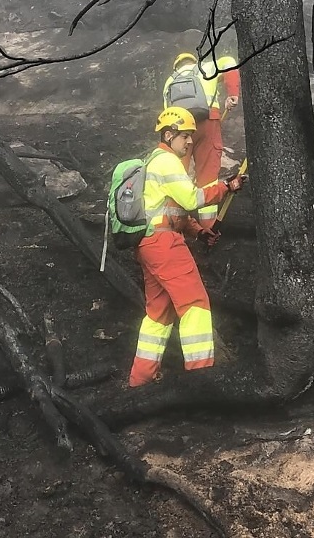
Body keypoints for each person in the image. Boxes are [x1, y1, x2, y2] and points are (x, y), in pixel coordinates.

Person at [129, 107, 247, 387]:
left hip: (150, 243)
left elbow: (174, 210)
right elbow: (192, 198)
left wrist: (199, 233)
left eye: (191, 137)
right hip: (165, 245)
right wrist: (226, 187)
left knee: (158, 314)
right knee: (195, 305)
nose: (191, 142)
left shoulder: (154, 163)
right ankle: (201, 380)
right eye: (185, 136)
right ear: (168, 135)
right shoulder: (167, 162)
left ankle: (139, 380)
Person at [161, 52, 240, 230]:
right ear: (193, 61)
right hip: (208, 122)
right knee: (208, 176)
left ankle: (175, 227)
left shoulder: (169, 82)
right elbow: (229, 62)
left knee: (177, 177)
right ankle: (208, 228)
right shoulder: (206, 68)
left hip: (179, 130)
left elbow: (167, 115)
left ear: (177, 66)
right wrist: (232, 93)